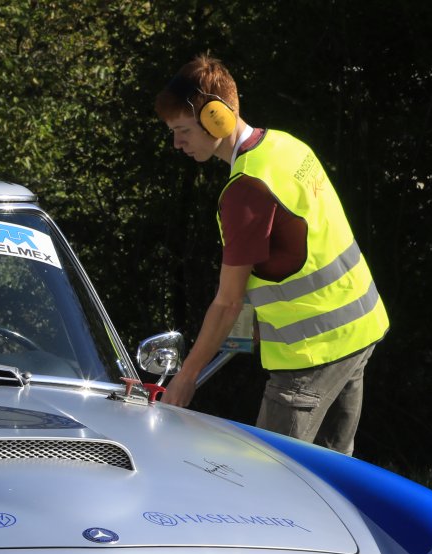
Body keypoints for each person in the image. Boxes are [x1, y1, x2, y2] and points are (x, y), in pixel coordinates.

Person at [154, 53, 388, 455]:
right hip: (359, 328)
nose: (177, 143)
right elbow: (298, 246)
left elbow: (227, 303)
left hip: (311, 356)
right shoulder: (285, 146)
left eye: (183, 130)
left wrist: (186, 376)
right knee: (333, 475)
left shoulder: (246, 189)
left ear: (216, 118)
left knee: (270, 475)